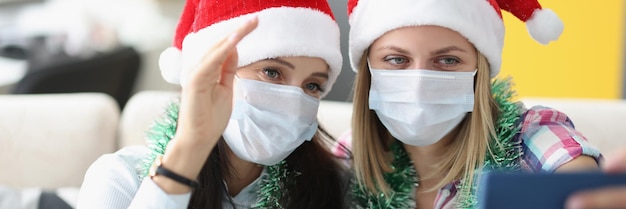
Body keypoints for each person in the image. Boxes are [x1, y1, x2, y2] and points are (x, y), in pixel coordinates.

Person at [76, 0, 349, 208]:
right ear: (211, 72)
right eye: (272, 72)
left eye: (312, 85)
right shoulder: (121, 178)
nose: (293, 101)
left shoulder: (334, 186)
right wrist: (187, 153)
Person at [341, 0, 602, 208]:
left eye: (448, 60)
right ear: (368, 69)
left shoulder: (528, 134)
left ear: (479, 71)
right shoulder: (349, 157)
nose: (418, 83)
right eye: (396, 59)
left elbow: (585, 188)